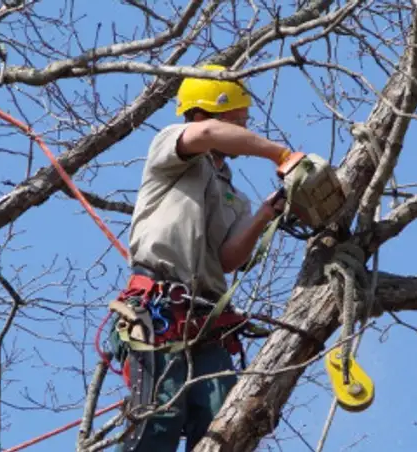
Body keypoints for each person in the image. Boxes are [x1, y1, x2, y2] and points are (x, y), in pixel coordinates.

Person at [122, 65, 292, 451]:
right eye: (237, 123)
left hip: (207, 321)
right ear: (202, 114)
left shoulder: (233, 194)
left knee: (221, 421)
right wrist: (280, 153)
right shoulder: (172, 149)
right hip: (159, 307)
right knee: (159, 420)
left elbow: (228, 258)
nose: (244, 132)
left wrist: (266, 213)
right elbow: (206, 135)